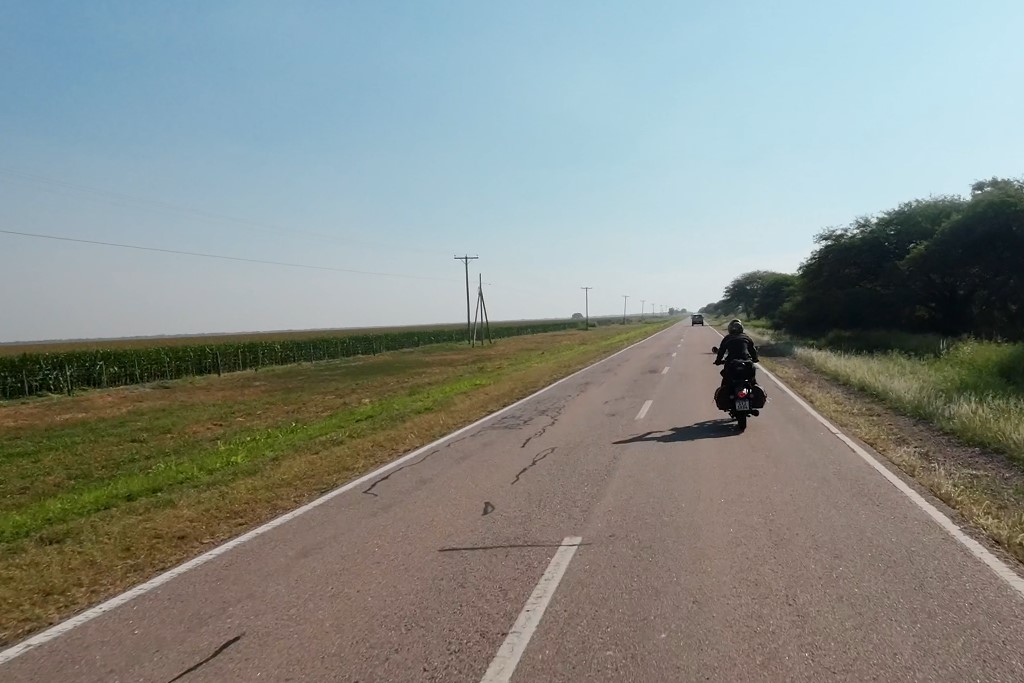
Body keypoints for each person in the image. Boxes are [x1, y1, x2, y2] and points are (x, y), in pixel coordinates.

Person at [714, 319, 760, 389]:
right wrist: (755, 359)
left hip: (731, 364)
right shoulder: (747, 338)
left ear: (730, 329)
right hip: (747, 363)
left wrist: (718, 361)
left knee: (725, 384)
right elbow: (753, 351)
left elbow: (721, 351)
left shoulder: (727, 338)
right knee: (753, 383)